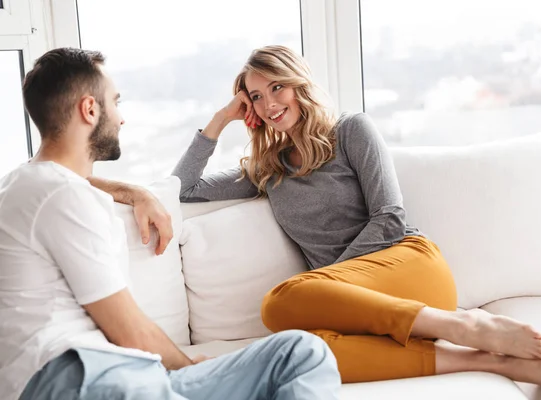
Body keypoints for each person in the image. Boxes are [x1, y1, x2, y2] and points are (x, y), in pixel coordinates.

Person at [170, 45, 541, 389]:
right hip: (351, 306)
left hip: (408, 267)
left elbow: (390, 217)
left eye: (277, 87)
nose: (270, 103)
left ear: (299, 84)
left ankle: (462, 326)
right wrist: (222, 118)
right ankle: (490, 361)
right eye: (256, 97)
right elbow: (183, 188)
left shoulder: (351, 130)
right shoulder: (267, 168)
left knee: (278, 304)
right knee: (300, 350)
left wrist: (334, 285)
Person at [0, 47, 341, 400]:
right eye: (115, 102)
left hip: (105, 373)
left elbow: (61, 180)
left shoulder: (26, 184)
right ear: (89, 109)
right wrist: (191, 368)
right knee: (302, 353)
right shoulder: (63, 197)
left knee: (299, 351)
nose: (121, 118)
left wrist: (134, 192)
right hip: (87, 378)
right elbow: (127, 328)